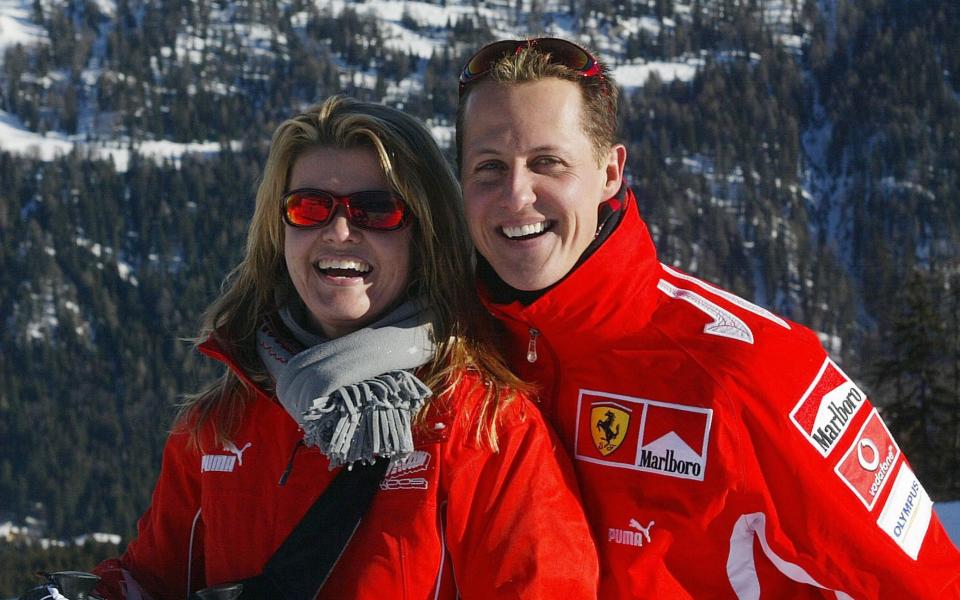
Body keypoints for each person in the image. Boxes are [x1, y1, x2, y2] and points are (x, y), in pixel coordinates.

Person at [455, 37, 960, 598]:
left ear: (609, 172)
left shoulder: (750, 367)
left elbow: (929, 583)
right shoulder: (457, 347)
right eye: (489, 167)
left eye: (547, 162)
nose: (516, 193)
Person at [89, 95, 599, 599]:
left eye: (376, 211)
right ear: (279, 229)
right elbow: (153, 579)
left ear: (426, 237)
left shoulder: (484, 429)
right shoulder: (218, 426)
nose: (337, 232)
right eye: (308, 208)